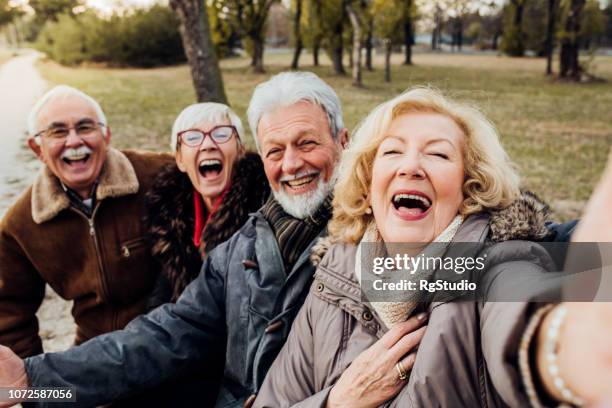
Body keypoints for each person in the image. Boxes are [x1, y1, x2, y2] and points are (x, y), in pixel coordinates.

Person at [0, 72, 424, 408]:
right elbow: (168, 333)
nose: (291, 164)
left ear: (343, 141)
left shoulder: (390, 227)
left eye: (307, 143)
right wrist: (36, 380)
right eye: (275, 150)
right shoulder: (244, 243)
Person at [253, 87, 612, 407]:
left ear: (468, 190)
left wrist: (565, 348)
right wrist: (337, 402)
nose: (411, 166)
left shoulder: (493, 264)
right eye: (392, 152)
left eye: (438, 155)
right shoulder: (335, 272)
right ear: (367, 187)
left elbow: (525, 318)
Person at [0, 85, 172, 358]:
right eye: (57, 132)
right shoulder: (19, 226)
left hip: (172, 341)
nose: (74, 141)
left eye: (85, 127)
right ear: (37, 148)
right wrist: (35, 389)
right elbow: (8, 315)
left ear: (106, 135)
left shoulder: (162, 175)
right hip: (95, 355)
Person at [144, 102, 269, 307]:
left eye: (221, 134)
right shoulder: (168, 217)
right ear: (180, 159)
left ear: (240, 150)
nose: (208, 145)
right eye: (192, 137)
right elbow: (164, 298)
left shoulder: (265, 209)